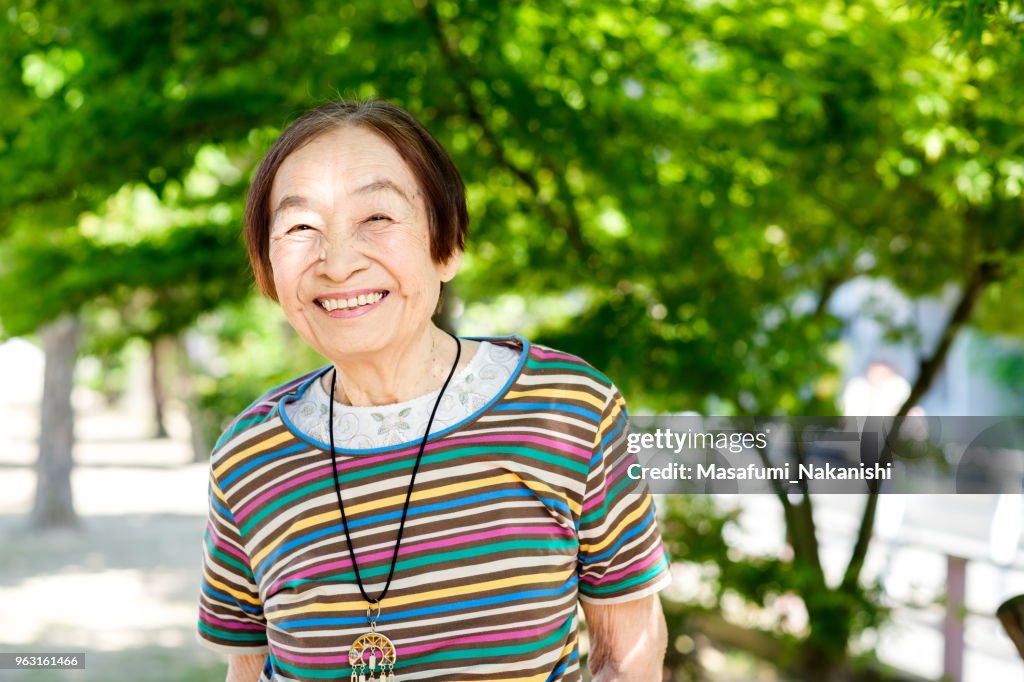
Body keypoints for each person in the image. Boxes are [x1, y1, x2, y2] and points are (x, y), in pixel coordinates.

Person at [197, 99, 671, 682]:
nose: (338, 263)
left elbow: (628, 654)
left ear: (446, 246)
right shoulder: (247, 457)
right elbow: (247, 671)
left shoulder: (568, 411)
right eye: (300, 227)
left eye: (376, 218)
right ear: (268, 266)